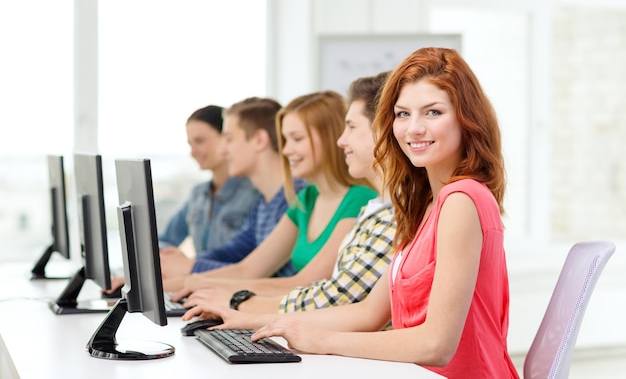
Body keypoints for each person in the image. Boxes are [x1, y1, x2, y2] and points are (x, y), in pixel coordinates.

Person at [183, 48, 519, 379]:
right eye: (403, 114)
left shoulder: (463, 199)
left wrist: (322, 341)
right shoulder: (427, 205)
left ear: (466, 117)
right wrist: (249, 320)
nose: (414, 128)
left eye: (432, 112)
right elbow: (369, 313)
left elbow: (436, 344)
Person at [179, 72, 396, 314]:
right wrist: (195, 282)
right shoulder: (306, 199)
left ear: (327, 137)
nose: (286, 150)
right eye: (285, 139)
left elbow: (312, 286)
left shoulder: (361, 201)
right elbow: (249, 267)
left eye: (297, 138)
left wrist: (232, 298)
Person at [161, 97, 306, 284]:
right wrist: (182, 266)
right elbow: (233, 252)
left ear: (259, 140)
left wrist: (187, 268)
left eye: (229, 139)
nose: (223, 150)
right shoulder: (265, 201)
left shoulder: (295, 198)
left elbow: (251, 272)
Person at [157, 105, 260, 269]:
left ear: (225, 138)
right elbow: (165, 240)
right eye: (190, 144)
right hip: (201, 281)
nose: (192, 152)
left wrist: (190, 264)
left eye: (200, 141)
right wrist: (178, 261)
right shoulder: (198, 195)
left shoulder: (256, 193)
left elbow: (248, 263)